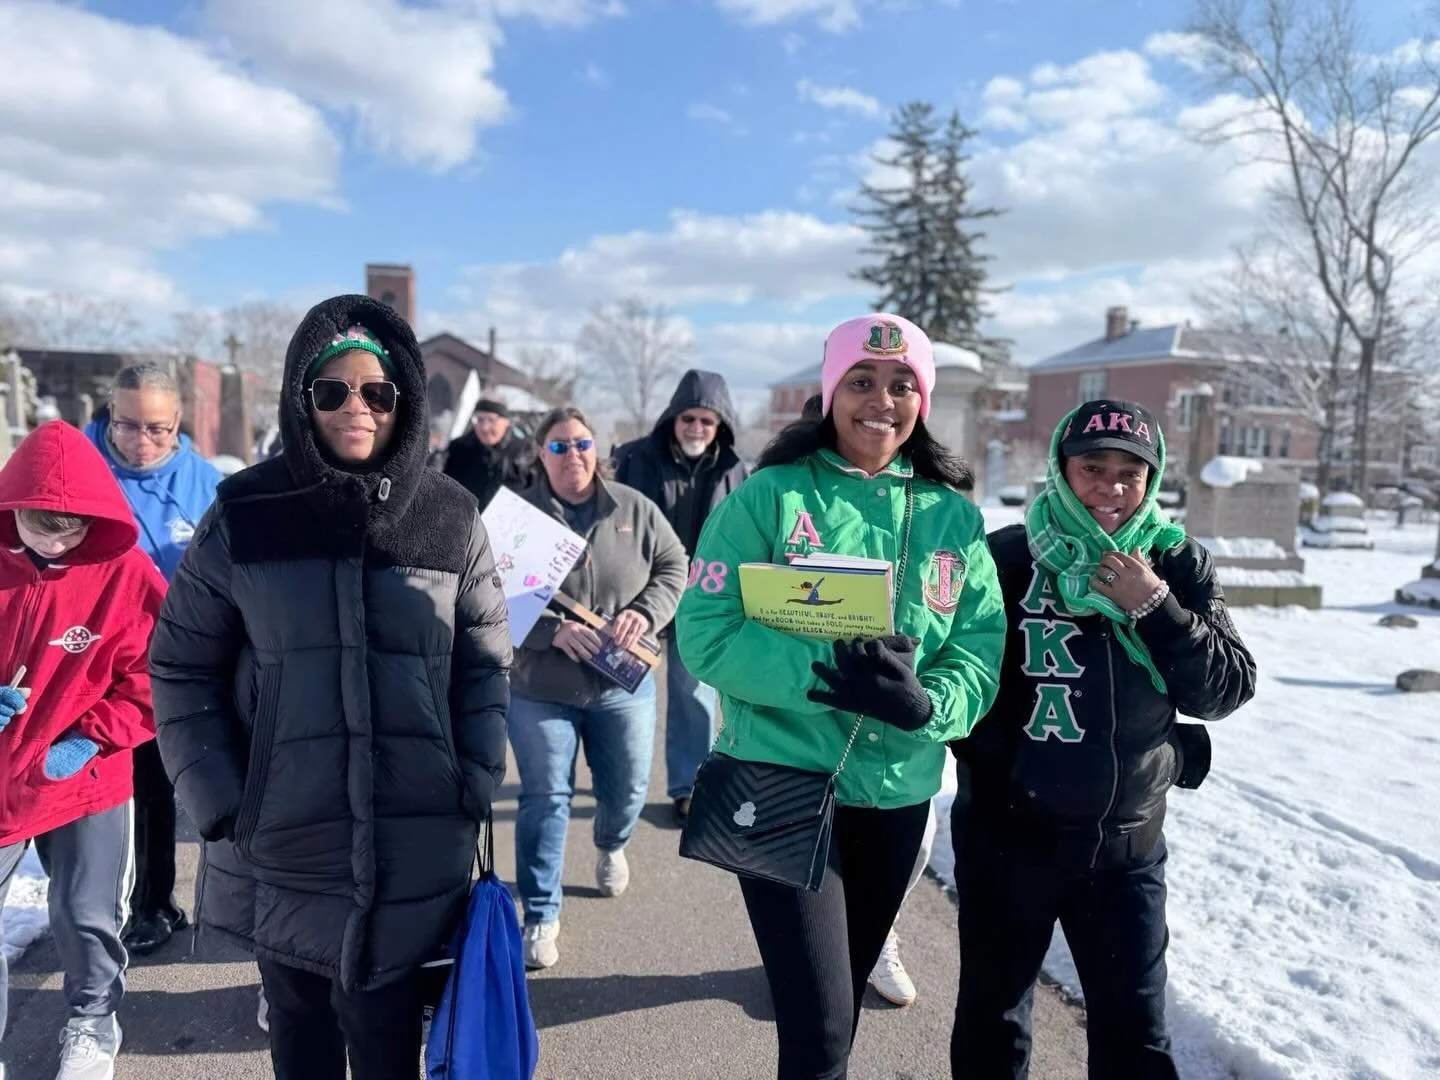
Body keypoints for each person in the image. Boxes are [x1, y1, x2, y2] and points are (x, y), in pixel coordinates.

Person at [148, 296, 512, 1080]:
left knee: (390, 1041)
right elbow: (181, 664)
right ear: (301, 398)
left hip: (414, 832)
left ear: (404, 402)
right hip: (286, 834)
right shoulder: (247, 511)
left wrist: (475, 775)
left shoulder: (450, 515)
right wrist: (222, 797)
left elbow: (484, 659)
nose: (356, 407)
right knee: (300, 1031)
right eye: (332, 390)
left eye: (377, 392)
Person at [675, 313, 1008, 1079]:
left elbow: (978, 647)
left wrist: (928, 706)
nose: (881, 401)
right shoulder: (768, 498)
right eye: (861, 381)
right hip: (778, 780)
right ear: (831, 393)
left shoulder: (954, 517)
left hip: (895, 795)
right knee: (819, 1028)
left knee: (843, 1008)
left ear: (922, 400)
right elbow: (707, 634)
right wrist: (825, 675)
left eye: (901, 385)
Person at [949, 399, 1257, 1079]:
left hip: (1126, 849)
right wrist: (1010, 778)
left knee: (1136, 1036)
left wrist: (1155, 606)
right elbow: (959, 682)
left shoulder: (1178, 563)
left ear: (1152, 479)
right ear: (1062, 469)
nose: (1111, 488)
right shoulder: (1005, 558)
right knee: (994, 1023)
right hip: (1008, 843)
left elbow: (1225, 689)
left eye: (1129, 473)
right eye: (1093, 468)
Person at [0, 421, 167, 1080]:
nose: (53, 541)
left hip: (83, 770)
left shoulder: (125, 573)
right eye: (39, 526)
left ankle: (93, 1020)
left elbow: (159, 673)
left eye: (68, 531)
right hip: (4, 771)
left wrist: (94, 734)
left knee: (83, 911)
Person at [509, 406, 688, 970]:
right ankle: (541, 911)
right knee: (545, 797)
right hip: (541, 686)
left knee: (626, 789)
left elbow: (674, 566)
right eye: (559, 446)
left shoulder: (634, 509)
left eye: (582, 443)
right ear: (541, 455)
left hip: (622, 686)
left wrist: (645, 612)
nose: (573, 455)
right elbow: (487, 593)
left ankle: (612, 844)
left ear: (598, 449)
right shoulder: (519, 518)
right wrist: (550, 631)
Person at [85, 363, 222, 955]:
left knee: (169, 786)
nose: (141, 441)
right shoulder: (82, 470)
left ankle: (164, 904)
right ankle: (97, 908)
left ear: (178, 422)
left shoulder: (206, 485)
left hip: (178, 662)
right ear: (109, 415)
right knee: (108, 791)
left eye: (157, 429)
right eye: (127, 425)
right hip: (96, 662)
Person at [612, 370, 750, 823]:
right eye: (688, 418)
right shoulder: (634, 458)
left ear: (720, 425)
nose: (696, 428)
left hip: (702, 600)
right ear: (672, 417)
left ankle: (690, 786)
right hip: (641, 594)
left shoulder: (735, 471)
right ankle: (615, 777)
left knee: (694, 693)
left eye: (707, 421)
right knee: (622, 689)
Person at [441, 398, 537, 508]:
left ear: (506, 422)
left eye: (492, 420)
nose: (485, 427)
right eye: (479, 419)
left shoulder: (524, 452)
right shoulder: (458, 448)